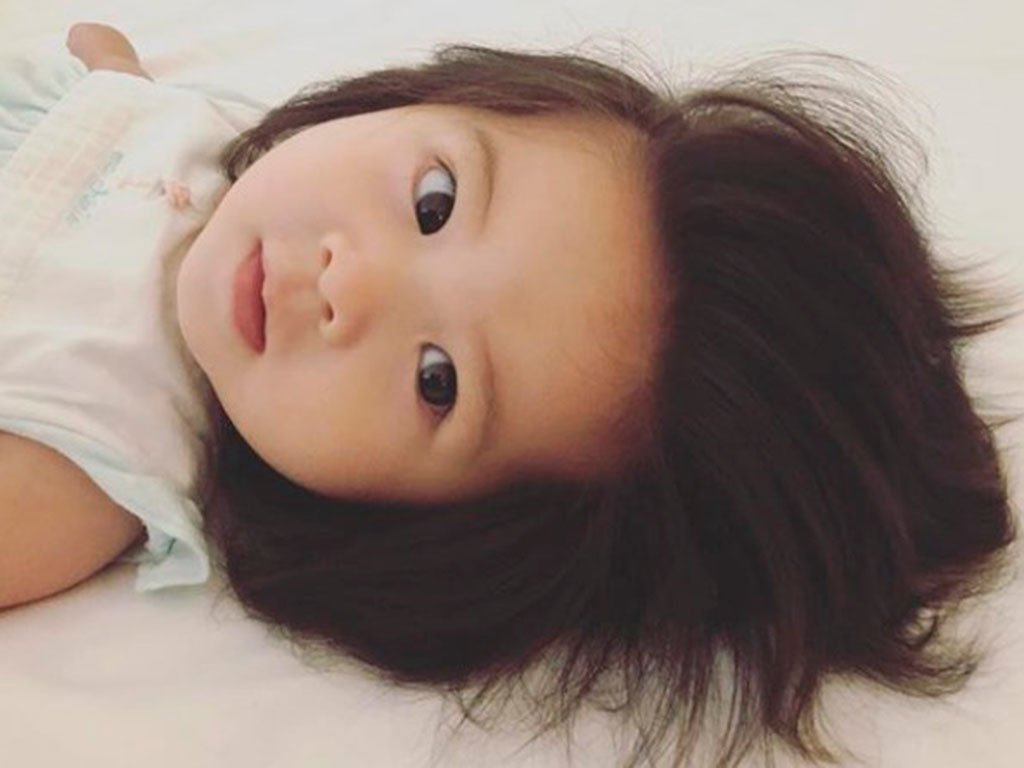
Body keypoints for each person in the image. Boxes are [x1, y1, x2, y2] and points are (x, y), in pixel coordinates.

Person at [2, 22, 1021, 768]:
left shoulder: (89, 462)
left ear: (416, 536)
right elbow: (116, 85)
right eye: (433, 201)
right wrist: (111, 68)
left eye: (436, 382)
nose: (354, 283)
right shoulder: (213, 138)